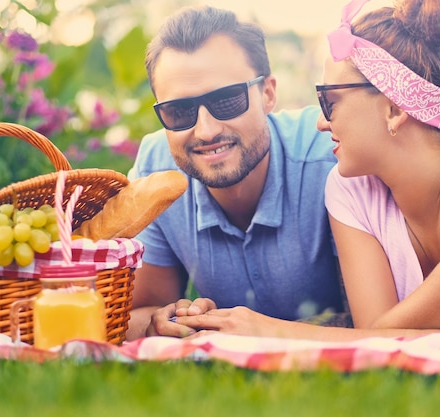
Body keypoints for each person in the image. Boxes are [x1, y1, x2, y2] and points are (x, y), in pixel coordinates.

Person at [171, 0, 440, 341]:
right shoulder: (349, 188)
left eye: (329, 101)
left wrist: (275, 333)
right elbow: (375, 333)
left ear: (393, 108)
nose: (320, 121)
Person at [125, 5, 348, 340]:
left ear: (269, 94)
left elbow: (377, 320)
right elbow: (140, 312)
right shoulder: (156, 173)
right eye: (178, 111)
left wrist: (260, 333)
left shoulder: (331, 157)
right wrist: (162, 321)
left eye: (227, 100)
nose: (206, 131)